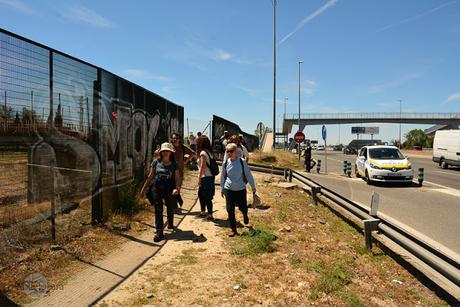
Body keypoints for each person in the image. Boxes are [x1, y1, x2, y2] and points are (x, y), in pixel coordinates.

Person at [140, 142, 181, 242]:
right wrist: (143, 190)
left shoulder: (174, 164)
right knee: (158, 209)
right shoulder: (156, 162)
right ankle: (159, 232)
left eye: (168, 151)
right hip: (157, 188)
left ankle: (170, 222)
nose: (166, 153)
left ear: (171, 153)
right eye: (164, 151)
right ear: (161, 152)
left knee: (170, 206)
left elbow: (177, 177)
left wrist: (177, 188)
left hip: (169, 188)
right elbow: (150, 177)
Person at [221, 143, 256, 237]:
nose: (229, 153)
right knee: (230, 209)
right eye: (227, 151)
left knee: (242, 207)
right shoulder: (225, 163)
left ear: (235, 151)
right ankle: (233, 230)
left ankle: (245, 215)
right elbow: (223, 176)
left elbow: (248, 174)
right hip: (229, 189)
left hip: (240, 189)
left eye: (231, 151)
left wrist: (253, 186)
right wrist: (222, 188)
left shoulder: (242, 161)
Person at [170, 132, 196, 211]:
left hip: (179, 171)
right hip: (169, 172)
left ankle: (175, 205)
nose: (175, 139)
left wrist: (186, 161)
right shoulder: (169, 147)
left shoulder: (182, 147)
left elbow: (193, 153)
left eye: (176, 138)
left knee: (177, 189)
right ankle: (174, 206)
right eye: (173, 138)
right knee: (171, 189)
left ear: (179, 139)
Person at [196, 136, 215, 220]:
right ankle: (204, 212)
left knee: (205, 196)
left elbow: (202, 167)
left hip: (205, 177)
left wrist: (199, 179)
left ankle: (209, 214)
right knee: (203, 195)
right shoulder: (209, 152)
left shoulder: (203, 153)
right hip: (210, 177)